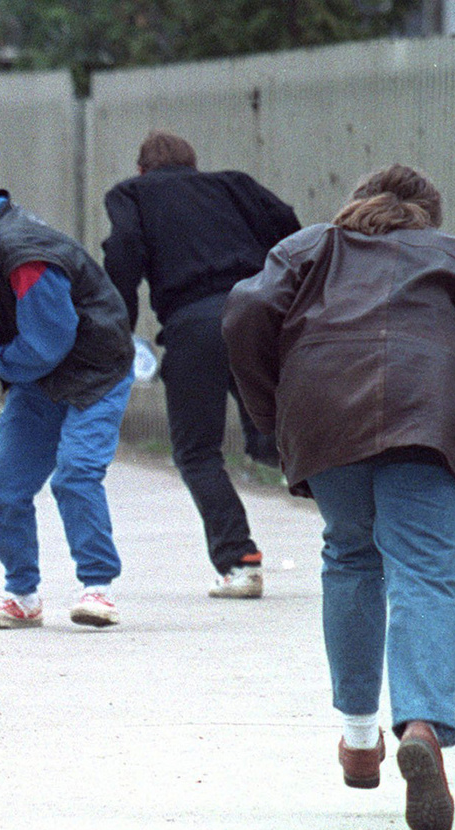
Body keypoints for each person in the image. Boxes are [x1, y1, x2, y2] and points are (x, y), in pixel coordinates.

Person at [223, 164, 455, 830]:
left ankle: (360, 737)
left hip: (325, 409)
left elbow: (247, 312)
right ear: (429, 216)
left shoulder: (307, 248)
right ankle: (421, 724)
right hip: (428, 413)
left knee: (350, 556)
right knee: (424, 570)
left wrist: (274, 407)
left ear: (357, 203)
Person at [102, 129, 301, 599]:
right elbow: (290, 229)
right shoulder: (233, 184)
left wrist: (121, 326)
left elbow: (124, 249)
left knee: (197, 451)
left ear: (141, 170)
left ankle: (239, 561)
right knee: (272, 438)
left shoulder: (132, 193)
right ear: (194, 165)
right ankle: (359, 524)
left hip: (195, 325)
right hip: (255, 315)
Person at [0, 189, 135, 629]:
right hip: (37, 379)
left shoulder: (27, 259)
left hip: (96, 370)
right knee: (3, 488)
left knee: (76, 473)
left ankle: (98, 587)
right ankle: (22, 596)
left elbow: (48, 342)